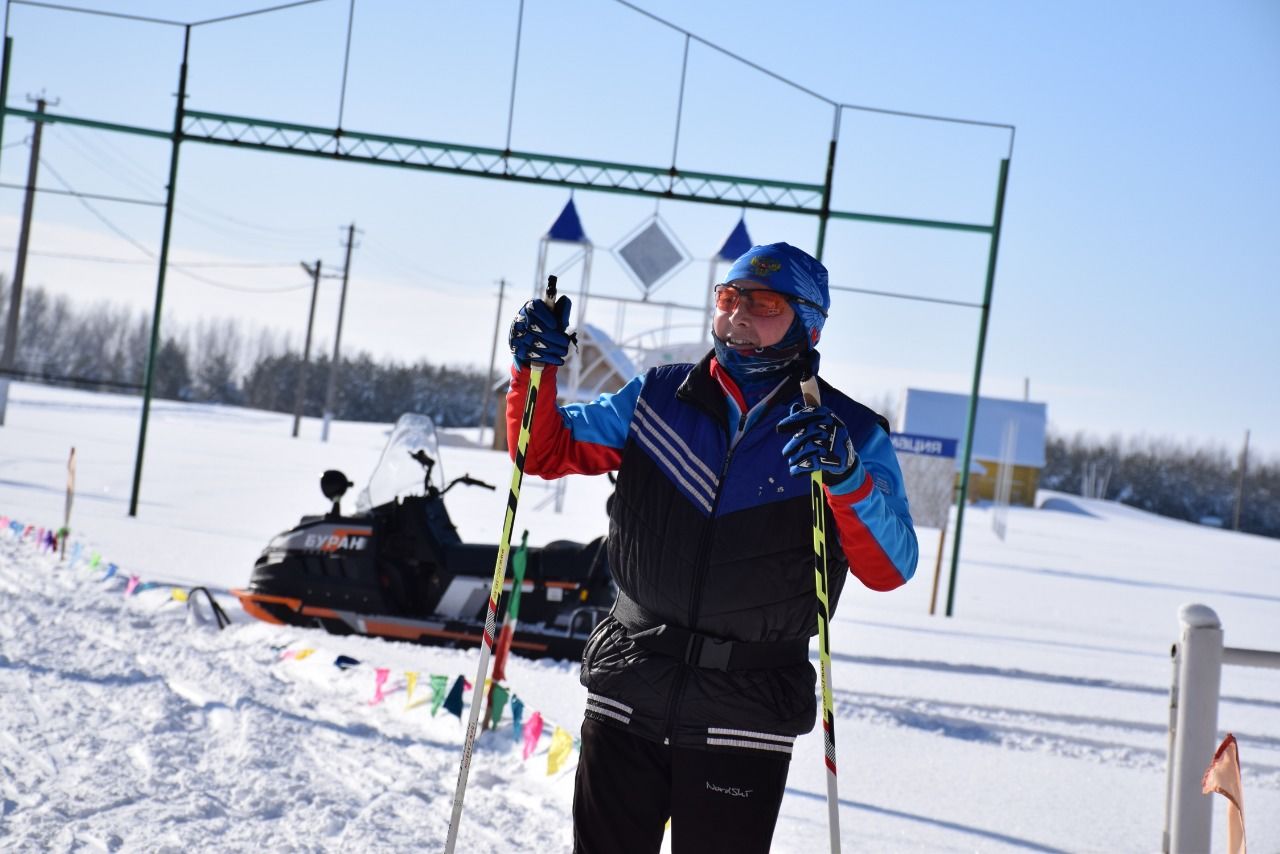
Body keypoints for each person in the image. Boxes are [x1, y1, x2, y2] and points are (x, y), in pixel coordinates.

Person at [506, 242, 918, 854]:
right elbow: (542, 450)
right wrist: (534, 371)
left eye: (765, 302)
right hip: (630, 685)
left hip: (745, 711)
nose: (739, 313)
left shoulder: (849, 431)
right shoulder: (657, 398)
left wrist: (849, 479)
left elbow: (891, 567)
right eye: (729, 298)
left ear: (809, 323)